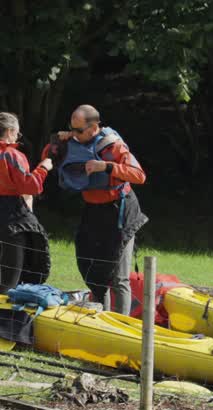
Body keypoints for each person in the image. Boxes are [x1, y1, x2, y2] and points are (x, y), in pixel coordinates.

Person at [56, 105, 147, 313]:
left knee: (118, 277)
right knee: (94, 274)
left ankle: (120, 328)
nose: (75, 135)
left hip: (120, 211)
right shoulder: (72, 142)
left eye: (79, 131)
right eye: (72, 129)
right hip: (93, 211)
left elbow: (139, 175)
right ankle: (100, 322)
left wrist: (106, 166)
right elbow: (51, 157)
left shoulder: (113, 146)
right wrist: (60, 141)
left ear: (94, 126)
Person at [0, 112, 54, 292]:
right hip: (10, 217)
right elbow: (30, 186)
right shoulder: (11, 155)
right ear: (9, 132)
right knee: (11, 279)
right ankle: (8, 318)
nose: (17, 137)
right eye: (17, 134)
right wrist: (43, 168)